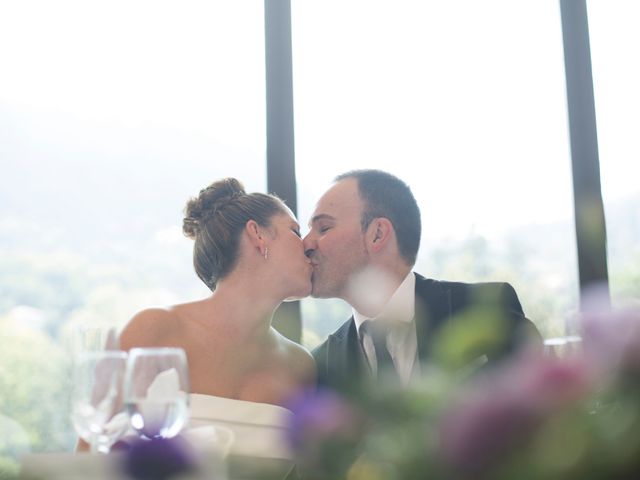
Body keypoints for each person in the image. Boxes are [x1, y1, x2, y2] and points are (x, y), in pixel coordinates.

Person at [117, 178, 315, 460]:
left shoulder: (299, 365)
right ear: (257, 234)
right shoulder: (154, 331)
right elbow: (92, 453)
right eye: (295, 231)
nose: (308, 246)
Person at [303, 169, 541, 394]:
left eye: (323, 228)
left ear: (377, 233)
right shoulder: (321, 365)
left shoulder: (487, 309)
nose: (307, 244)